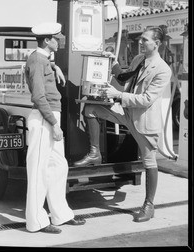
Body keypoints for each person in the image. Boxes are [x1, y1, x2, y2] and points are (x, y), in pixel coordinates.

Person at [74, 26, 172, 223]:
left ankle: (149, 205)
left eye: (145, 40)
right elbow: (123, 78)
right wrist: (113, 61)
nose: (140, 43)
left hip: (143, 121)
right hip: (125, 112)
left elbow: (145, 99)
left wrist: (117, 95)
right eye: (141, 39)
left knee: (149, 162)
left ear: (157, 44)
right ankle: (95, 152)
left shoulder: (162, 69)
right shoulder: (138, 60)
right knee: (90, 108)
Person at [25, 22, 86, 233]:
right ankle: (36, 222)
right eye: (56, 37)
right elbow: (38, 96)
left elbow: (42, 65)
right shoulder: (36, 60)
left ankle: (60, 214)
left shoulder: (43, 60)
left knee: (58, 166)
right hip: (44, 118)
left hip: (49, 117)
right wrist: (53, 124)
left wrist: (55, 66)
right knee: (38, 171)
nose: (60, 40)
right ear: (47, 40)